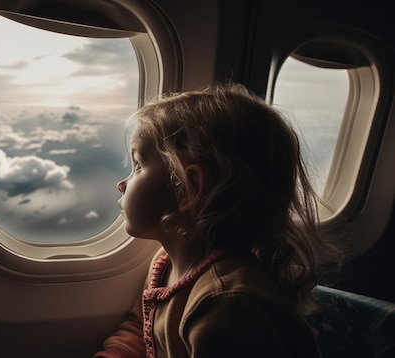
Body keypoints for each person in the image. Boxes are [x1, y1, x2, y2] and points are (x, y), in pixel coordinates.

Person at [93, 83, 341, 358]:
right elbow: (142, 328)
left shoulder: (226, 305)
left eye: (138, 165)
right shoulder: (166, 262)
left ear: (189, 187)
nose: (121, 183)